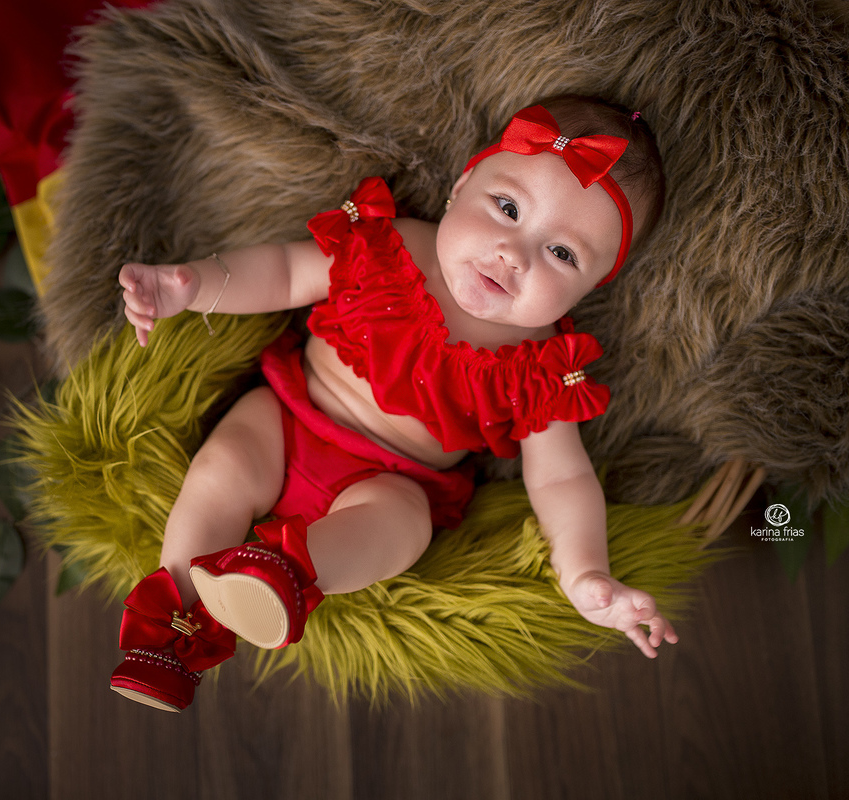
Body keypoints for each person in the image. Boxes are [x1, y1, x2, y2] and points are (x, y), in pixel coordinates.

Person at [110, 97, 671, 712]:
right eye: (507, 209)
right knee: (224, 469)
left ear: (590, 290)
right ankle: (173, 624)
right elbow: (283, 272)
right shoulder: (390, 244)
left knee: (403, 526)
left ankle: (285, 573)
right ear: (461, 185)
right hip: (293, 416)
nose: (515, 254)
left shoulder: (541, 367)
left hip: (393, 479)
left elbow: (562, 476)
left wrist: (587, 572)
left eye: (562, 255)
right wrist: (193, 285)